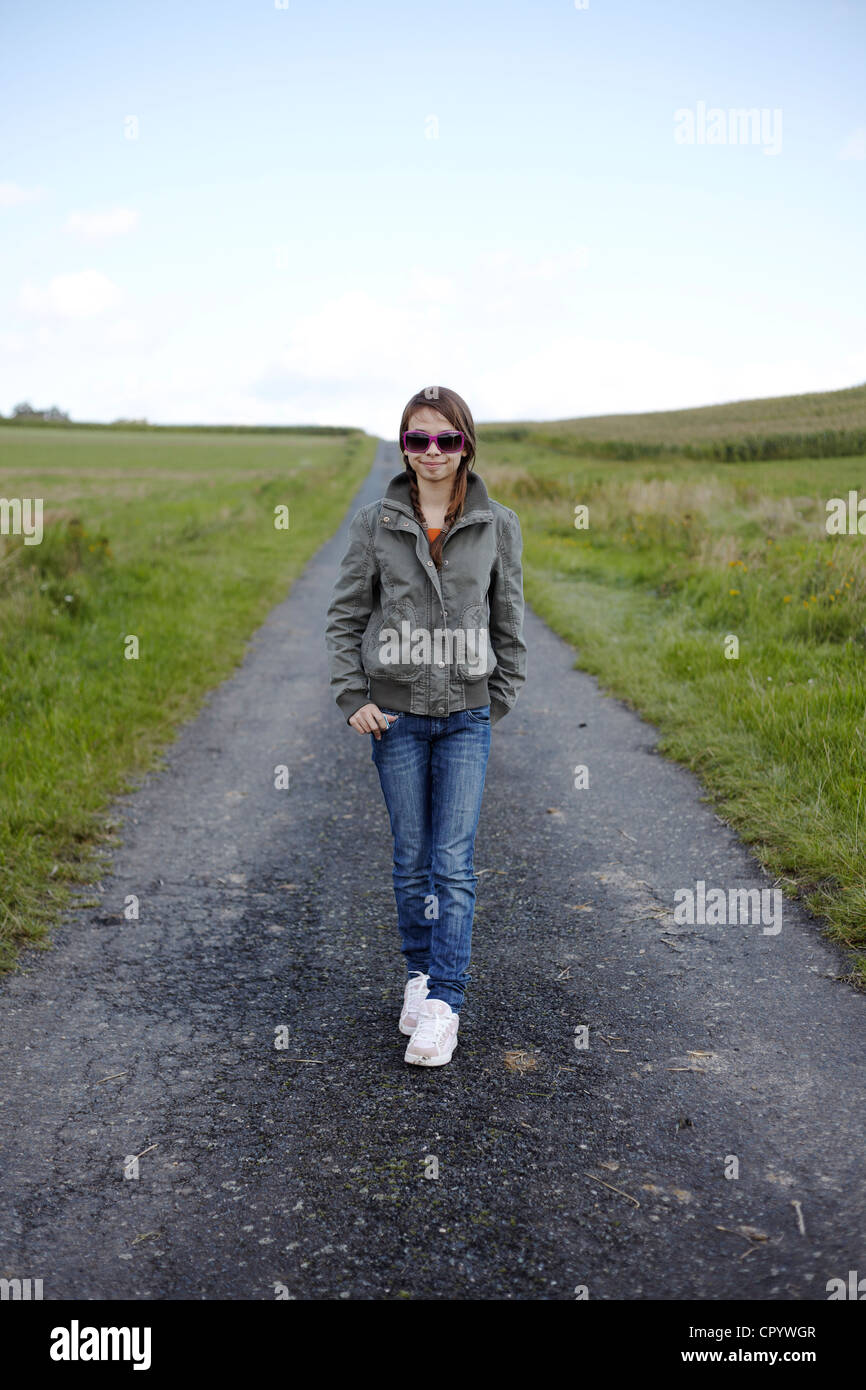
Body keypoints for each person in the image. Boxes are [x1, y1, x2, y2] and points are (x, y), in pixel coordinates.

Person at [325, 386, 527, 1066]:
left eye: (446, 438)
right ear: (405, 446)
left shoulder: (499, 524)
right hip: (398, 720)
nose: (432, 452)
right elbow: (346, 616)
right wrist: (354, 692)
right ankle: (418, 975)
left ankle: (445, 1003)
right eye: (418, 439)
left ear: (465, 442)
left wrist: (492, 700)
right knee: (412, 860)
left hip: (467, 718)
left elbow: (510, 623)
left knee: (453, 863)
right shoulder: (373, 524)